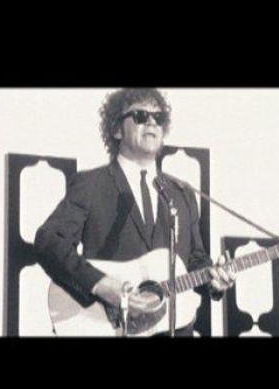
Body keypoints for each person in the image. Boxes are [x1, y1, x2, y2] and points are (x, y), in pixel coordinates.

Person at [34, 88, 236, 337]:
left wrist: (214, 280)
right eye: (140, 115)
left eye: (158, 118)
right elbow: (49, 242)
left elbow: (194, 257)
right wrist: (101, 285)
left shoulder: (182, 193)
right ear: (117, 129)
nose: (151, 122)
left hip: (176, 329)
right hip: (112, 328)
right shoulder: (91, 185)